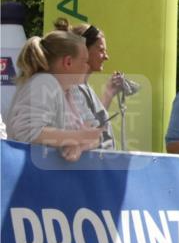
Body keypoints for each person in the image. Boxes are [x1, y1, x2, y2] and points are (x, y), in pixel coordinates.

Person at [7, 27, 103, 161]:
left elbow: (95, 135)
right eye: (85, 61)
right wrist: (77, 138)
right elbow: (26, 132)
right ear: (68, 62)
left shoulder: (73, 89)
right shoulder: (43, 83)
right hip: (31, 176)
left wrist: (79, 146)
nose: (88, 66)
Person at [54, 19, 117, 149]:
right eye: (101, 50)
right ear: (84, 50)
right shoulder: (73, 88)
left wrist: (109, 93)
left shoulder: (83, 87)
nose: (106, 56)